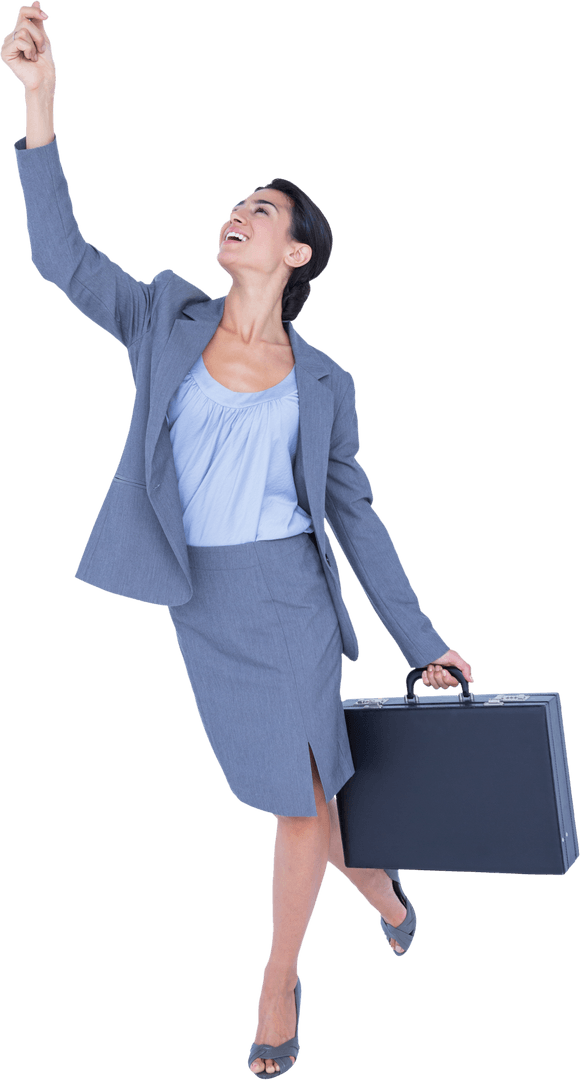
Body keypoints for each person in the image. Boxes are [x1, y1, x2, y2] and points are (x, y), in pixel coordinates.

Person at [2, 6, 475, 1076]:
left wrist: (424, 640)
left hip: (291, 601)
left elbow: (357, 519)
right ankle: (385, 887)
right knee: (288, 791)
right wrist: (39, 100)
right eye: (234, 207)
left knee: (304, 794)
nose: (236, 216)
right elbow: (58, 258)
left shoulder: (328, 383)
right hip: (200, 602)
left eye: (257, 211)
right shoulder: (163, 318)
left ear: (295, 249)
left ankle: (275, 982)